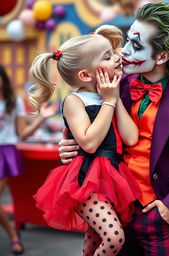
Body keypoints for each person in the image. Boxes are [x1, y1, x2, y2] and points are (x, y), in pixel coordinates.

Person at [59, 2, 169, 256]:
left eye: (135, 45)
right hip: (115, 210)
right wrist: (68, 146)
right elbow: (83, 122)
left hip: (161, 214)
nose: (122, 52)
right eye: (126, 41)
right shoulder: (115, 83)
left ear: (162, 56)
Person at [29, 30, 141, 256]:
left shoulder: (109, 96)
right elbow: (89, 143)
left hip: (110, 176)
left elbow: (131, 138)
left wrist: (113, 99)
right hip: (83, 179)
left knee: (93, 241)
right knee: (114, 238)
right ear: (86, 75)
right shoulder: (74, 100)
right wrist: (109, 102)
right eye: (107, 57)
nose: (117, 58)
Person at [0, 65, 57, 255]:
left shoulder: (13, 101)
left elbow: (22, 133)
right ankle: (14, 236)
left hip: (4, 152)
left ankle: (14, 237)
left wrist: (42, 117)